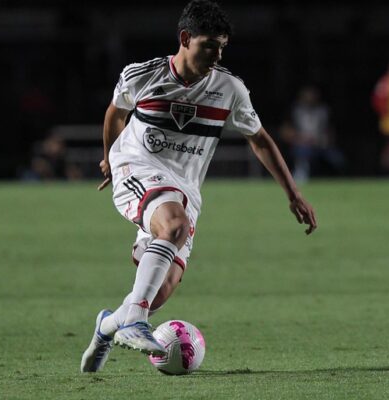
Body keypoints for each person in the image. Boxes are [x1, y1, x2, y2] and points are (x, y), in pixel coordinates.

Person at [80, 0, 317, 373]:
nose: (216, 54)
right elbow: (116, 112)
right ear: (185, 38)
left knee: (159, 290)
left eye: (222, 47)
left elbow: (260, 139)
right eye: (209, 45)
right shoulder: (142, 75)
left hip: (184, 188)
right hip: (137, 166)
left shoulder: (229, 89)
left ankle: (108, 325)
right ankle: (135, 321)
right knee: (172, 226)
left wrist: (293, 194)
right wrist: (110, 159)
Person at [280, 85, 346, 182]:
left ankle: (338, 180)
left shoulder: (324, 110)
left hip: (321, 145)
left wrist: (324, 139)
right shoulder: (295, 110)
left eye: (313, 94)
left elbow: (331, 133)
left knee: (338, 159)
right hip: (301, 144)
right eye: (308, 94)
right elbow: (285, 132)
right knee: (302, 152)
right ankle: (301, 173)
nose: (311, 97)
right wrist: (301, 139)